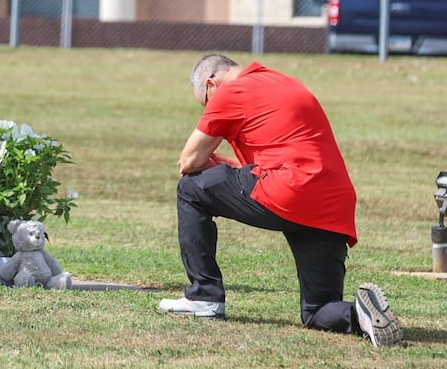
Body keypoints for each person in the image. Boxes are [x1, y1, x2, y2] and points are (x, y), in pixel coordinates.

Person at [157, 54, 403, 347]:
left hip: (289, 189)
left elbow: (188, 162)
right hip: (332, 203)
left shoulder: (231, 91)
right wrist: (221, 163)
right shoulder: (280, 80)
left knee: (190, 189)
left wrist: (204, 162)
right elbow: (269, 159)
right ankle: (360, 314)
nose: (209, 110)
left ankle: (203, 297)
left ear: (212, 84)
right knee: (317, 311)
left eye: (206, 103)